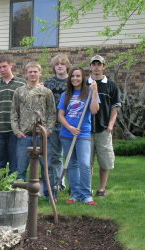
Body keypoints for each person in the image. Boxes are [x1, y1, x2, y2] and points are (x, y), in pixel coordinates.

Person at [11, 61, 56, 200]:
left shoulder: (46, 92)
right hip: (25, 136)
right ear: (26, 74)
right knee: (21, 168)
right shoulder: (19, 91)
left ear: (40, 73)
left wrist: (48, 130)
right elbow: (14, 112)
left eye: (35, 71)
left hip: (42, 136)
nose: (32, 74)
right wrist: (16, 130)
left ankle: (50, 195)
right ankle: (20, 197)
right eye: (30, 71)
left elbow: (52, 112)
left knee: (47, 168)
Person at [58, 66, 100, 205]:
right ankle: (75, 194)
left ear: (83, 78)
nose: (75, 78)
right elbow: (60, 115)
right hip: (67, 134)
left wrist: (95, 92)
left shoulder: (88, 92)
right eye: (73, 76)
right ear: (70, 79)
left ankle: (86, 195)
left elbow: (94, 110)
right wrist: (69, 128)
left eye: (78, 76)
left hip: (83, 134)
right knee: (72, 164)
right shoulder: (66, 95)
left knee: (84, 164)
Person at [0, 54, 25, 173]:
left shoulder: (22, 84)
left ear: (11, 66)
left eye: (4, 66)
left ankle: (14, 187)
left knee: (15, 160)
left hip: (15, 130)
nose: (2, 70)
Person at [88, 55, 120, 197]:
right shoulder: (85, 84)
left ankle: (101, 189)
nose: (96, 67)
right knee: (86, 162)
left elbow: (115, 107)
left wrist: (110, 126)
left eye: (98, 64)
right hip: (86, 130)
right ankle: (86, 188)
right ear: (90, 67)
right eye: (93, 64)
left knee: (104, 161)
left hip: (103, 129)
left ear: (103, 66)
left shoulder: (111, 85)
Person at [44, 54, 71, 190]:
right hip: (53, 126)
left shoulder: (72, 82)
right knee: (55, 156)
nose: (60, 66)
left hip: (69, 125)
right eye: (57, 64)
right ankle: (59, 183)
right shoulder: (48, 83)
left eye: (62, 64)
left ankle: (74, 185)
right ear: (54, 67)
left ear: (67, 66)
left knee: (71, 156)